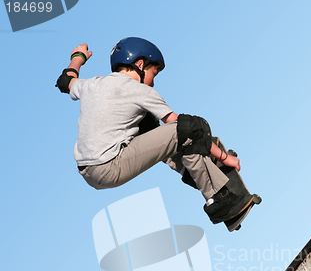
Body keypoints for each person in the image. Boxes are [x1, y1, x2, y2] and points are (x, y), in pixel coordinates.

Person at [56, 37, 251, 223]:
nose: (153, 81)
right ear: (140, 65)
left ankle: (191, 171)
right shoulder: (141, 91)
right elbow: (186, 130)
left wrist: (78, 57)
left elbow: (66, 80)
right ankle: (219, 201)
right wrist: (224, 157)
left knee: (148, 124)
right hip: (110, 167)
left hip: (87, 172)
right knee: (189, 127)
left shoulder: (92, 84)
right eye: (153, 74)